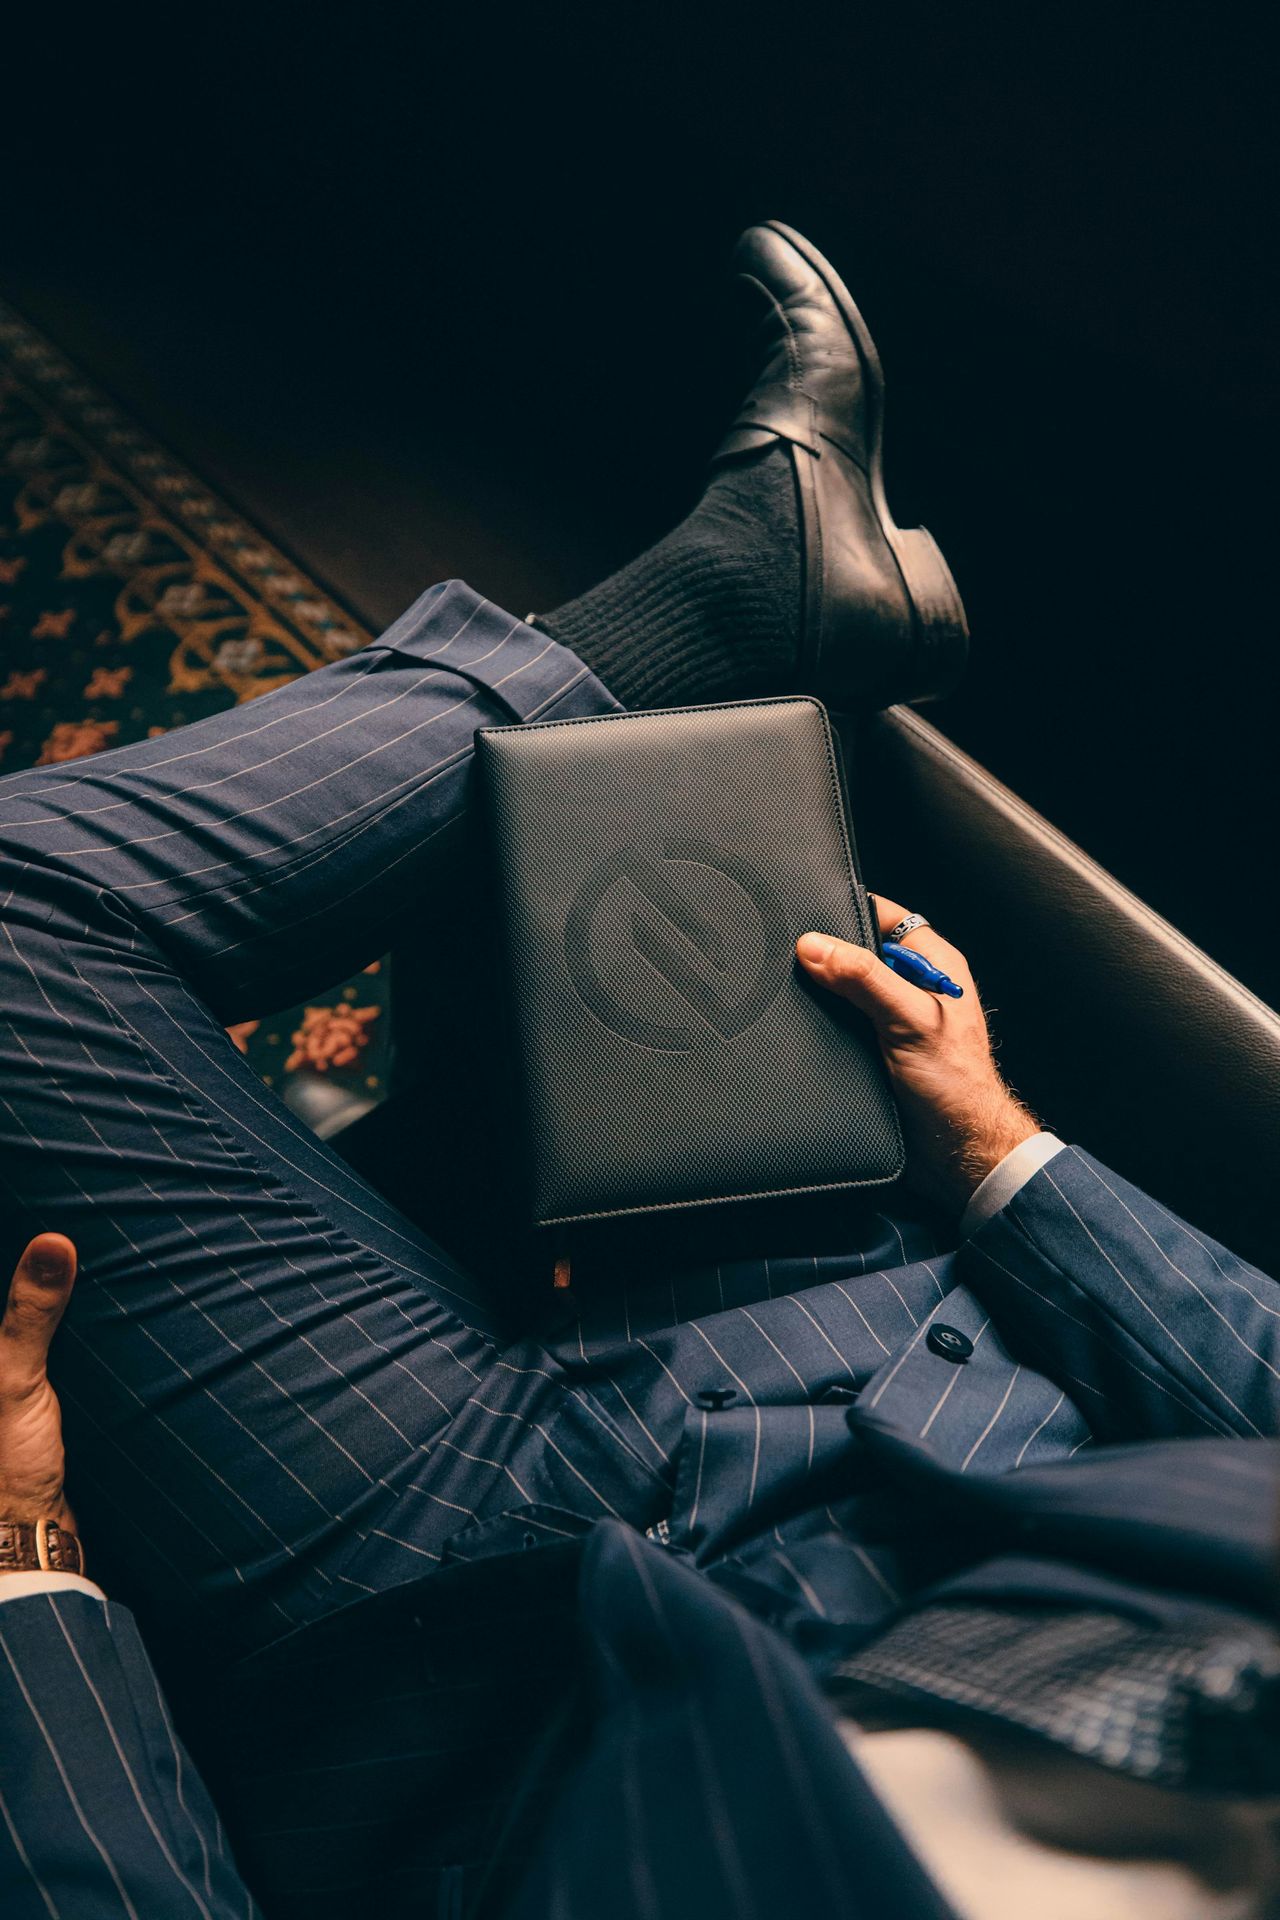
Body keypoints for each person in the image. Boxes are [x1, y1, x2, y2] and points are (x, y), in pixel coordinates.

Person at [0, 221, 1276, 1920]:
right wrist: (1003, 1154)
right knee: (597, 874)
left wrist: (32, 1595)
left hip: (442, 1686)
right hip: (871, 1371)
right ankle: (728, 610)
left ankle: (727, 602)